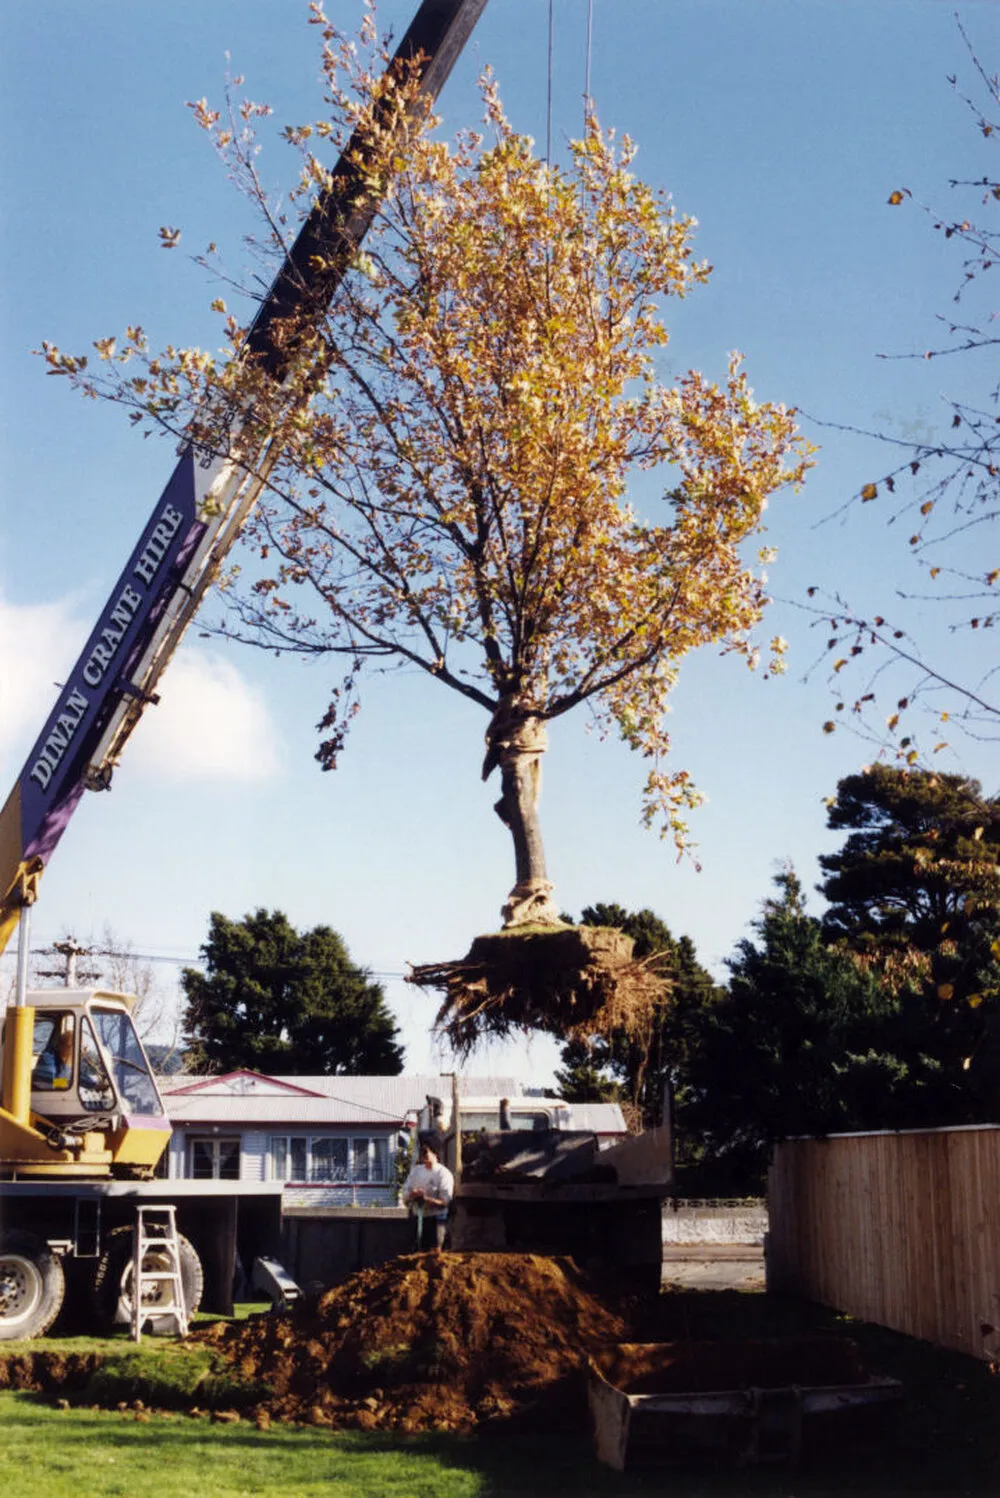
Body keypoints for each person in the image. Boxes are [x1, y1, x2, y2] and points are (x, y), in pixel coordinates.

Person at [401, 1137, 454, 1252]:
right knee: (415, 1254)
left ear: (435, 1153)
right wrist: (412, 1195)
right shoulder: (416, 1171)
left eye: (426, 1151)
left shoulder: (443, 1174)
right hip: (416, 1219)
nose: (423, 1155)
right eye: (422, 1152)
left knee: (434, 1256)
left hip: (436, 1221)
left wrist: (426, 1199)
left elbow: (445, 1202)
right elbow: (405, 1194)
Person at [32, 1025, 73, 1090]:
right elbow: (50, 1084)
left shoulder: (64, 1061)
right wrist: (67, 1063)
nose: (74, 1051)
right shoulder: (47, 1058)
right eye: (71, 1046)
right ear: (61, 1046)